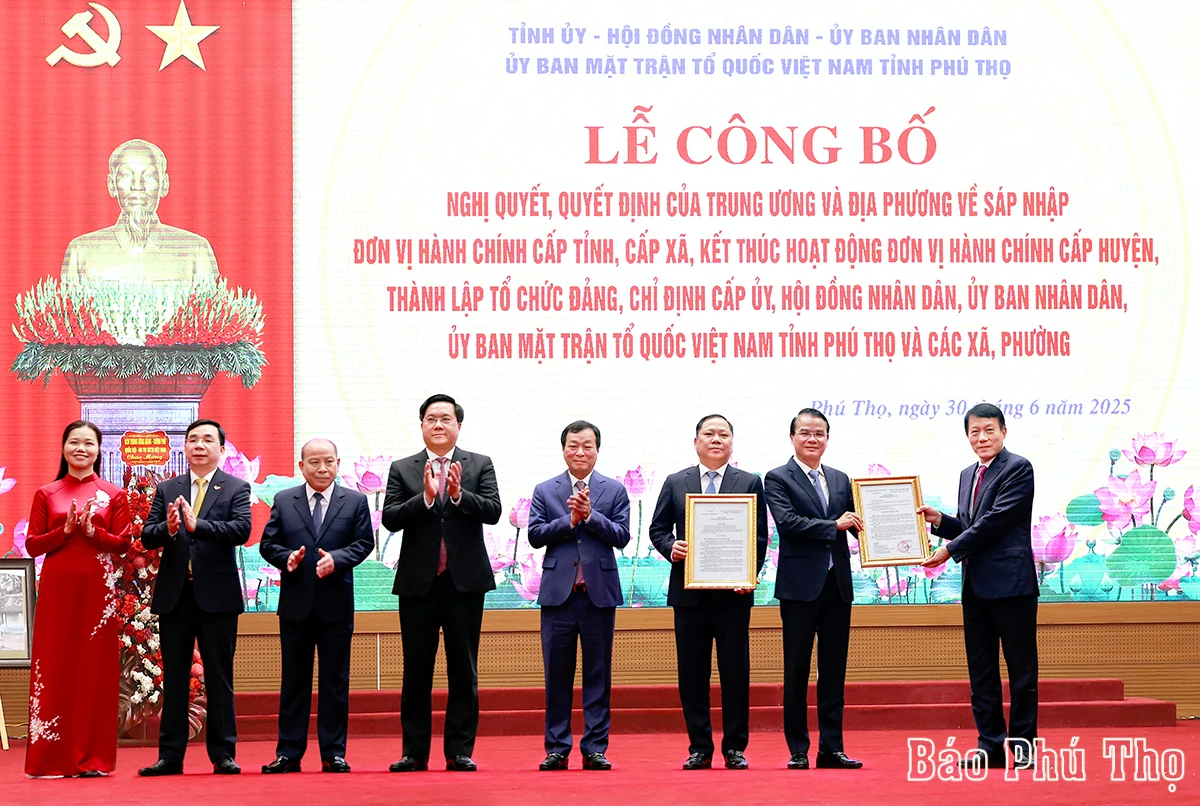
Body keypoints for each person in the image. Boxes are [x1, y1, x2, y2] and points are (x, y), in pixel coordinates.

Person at [382, 394, 501, 772]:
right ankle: (413, 752)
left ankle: (459, 750)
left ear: (458, 426)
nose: (438, 425)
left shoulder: (479, 464)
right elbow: (390, 518)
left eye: (445, 419)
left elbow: (494, 511)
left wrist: (457, 495)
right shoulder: (403, 469)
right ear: (422, 426)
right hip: (419, 582)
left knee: (462, 668)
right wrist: (428, 499)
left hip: (465, 582)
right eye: (431, 418)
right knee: (417, 668)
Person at [918, 403, 1038, 769]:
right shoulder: (967, 474)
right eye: (975, 432)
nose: (982, 438)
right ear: (967, 436)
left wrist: (950, 549)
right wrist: (942, 522)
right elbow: (972, 524)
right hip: (976, 587)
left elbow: (997, 521)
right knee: (981, 671)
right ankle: (989, 745)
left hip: (1012, 585)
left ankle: (1022, 748)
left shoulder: (1018, 468)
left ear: (1003, 432)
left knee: (1021, 671)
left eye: (989, 430)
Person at [649, 414, 768, 770]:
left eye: (724, 435)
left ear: (732, 442)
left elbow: (759, 535)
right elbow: (658, 529)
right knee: (692, 674)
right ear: (696, 441)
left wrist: (749, 572)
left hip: (733, 594)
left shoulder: (749, 481)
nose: (716, 440)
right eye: (709, 434)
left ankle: (735, 747)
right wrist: (672, 548)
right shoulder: (675, 482)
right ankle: (699, 746)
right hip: (689, 595)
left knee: (735, 672)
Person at [138, 419, 251, 776]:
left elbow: (241, 530)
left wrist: (196, 526)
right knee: (174, 677)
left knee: (219, 676)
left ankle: (222, 754)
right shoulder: (168, 488)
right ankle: (170, 755)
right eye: (192, 440)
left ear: (221, 448)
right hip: (176, 595)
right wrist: (169, 528)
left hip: (217, 597)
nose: (199, 445)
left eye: (207, 440)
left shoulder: (235, 488)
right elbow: (147, 536)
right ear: (184, 448)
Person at [258, 439, 375, 774]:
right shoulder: (284, 499)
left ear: (338, 463)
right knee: (294, 681)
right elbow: (269, 543)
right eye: (314, 462)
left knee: (334, 681)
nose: (322, 469)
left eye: (328, 462)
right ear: (301, 466)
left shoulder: (354, 501)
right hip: (296, 605)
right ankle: (288, 753)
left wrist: (337, 560)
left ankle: (333, 753)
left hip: (336, 605)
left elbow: (364, 543)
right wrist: (287, 559)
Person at [23, 421, 131, 778]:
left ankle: (92, 758)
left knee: (93, 670)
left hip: (98, 592)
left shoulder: (113, 494)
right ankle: (51, 758)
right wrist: (65, 531)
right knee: (54, 665)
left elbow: (124, 544)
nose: (81, 448)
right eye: (74, 441)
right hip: (57, 588)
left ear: (99, 450)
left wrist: (93, 532)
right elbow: (33, 544)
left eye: (89, 442)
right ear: (64, 447)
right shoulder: (47, 493)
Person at [764, 408, 864, 771]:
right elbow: (789, 524)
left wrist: (894, 528)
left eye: (819, 433)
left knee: (834, 671)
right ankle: (799, 749)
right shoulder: (777, 478)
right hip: (799, 589)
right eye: (805, 432)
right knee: (797, 670)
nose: (812, 439)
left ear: (827, 438)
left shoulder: (840, 479)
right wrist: (834, 525)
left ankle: (831, 748)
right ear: (792, 437)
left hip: (837, 587)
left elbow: (857, 523)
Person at [528, 420, 631, 772]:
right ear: (563, 449)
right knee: (557, 675)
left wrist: (590, 516)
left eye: (587, 445)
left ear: (597, 450)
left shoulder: (614, 490)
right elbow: (536, 535)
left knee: (598, 676)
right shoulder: (545, 490)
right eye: (574, 445)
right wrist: (570, 521)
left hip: (598, 596)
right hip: (559, 597)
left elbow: (621, 536)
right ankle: (557, 748)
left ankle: (594, 748)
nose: (580, 452)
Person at [61, 138, 219, 288]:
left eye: (149, 175)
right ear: (111, 185)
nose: (138, 186)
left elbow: (211, 313)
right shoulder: (81, 251)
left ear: (164, 185)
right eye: (126, 175)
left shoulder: (195, 250)